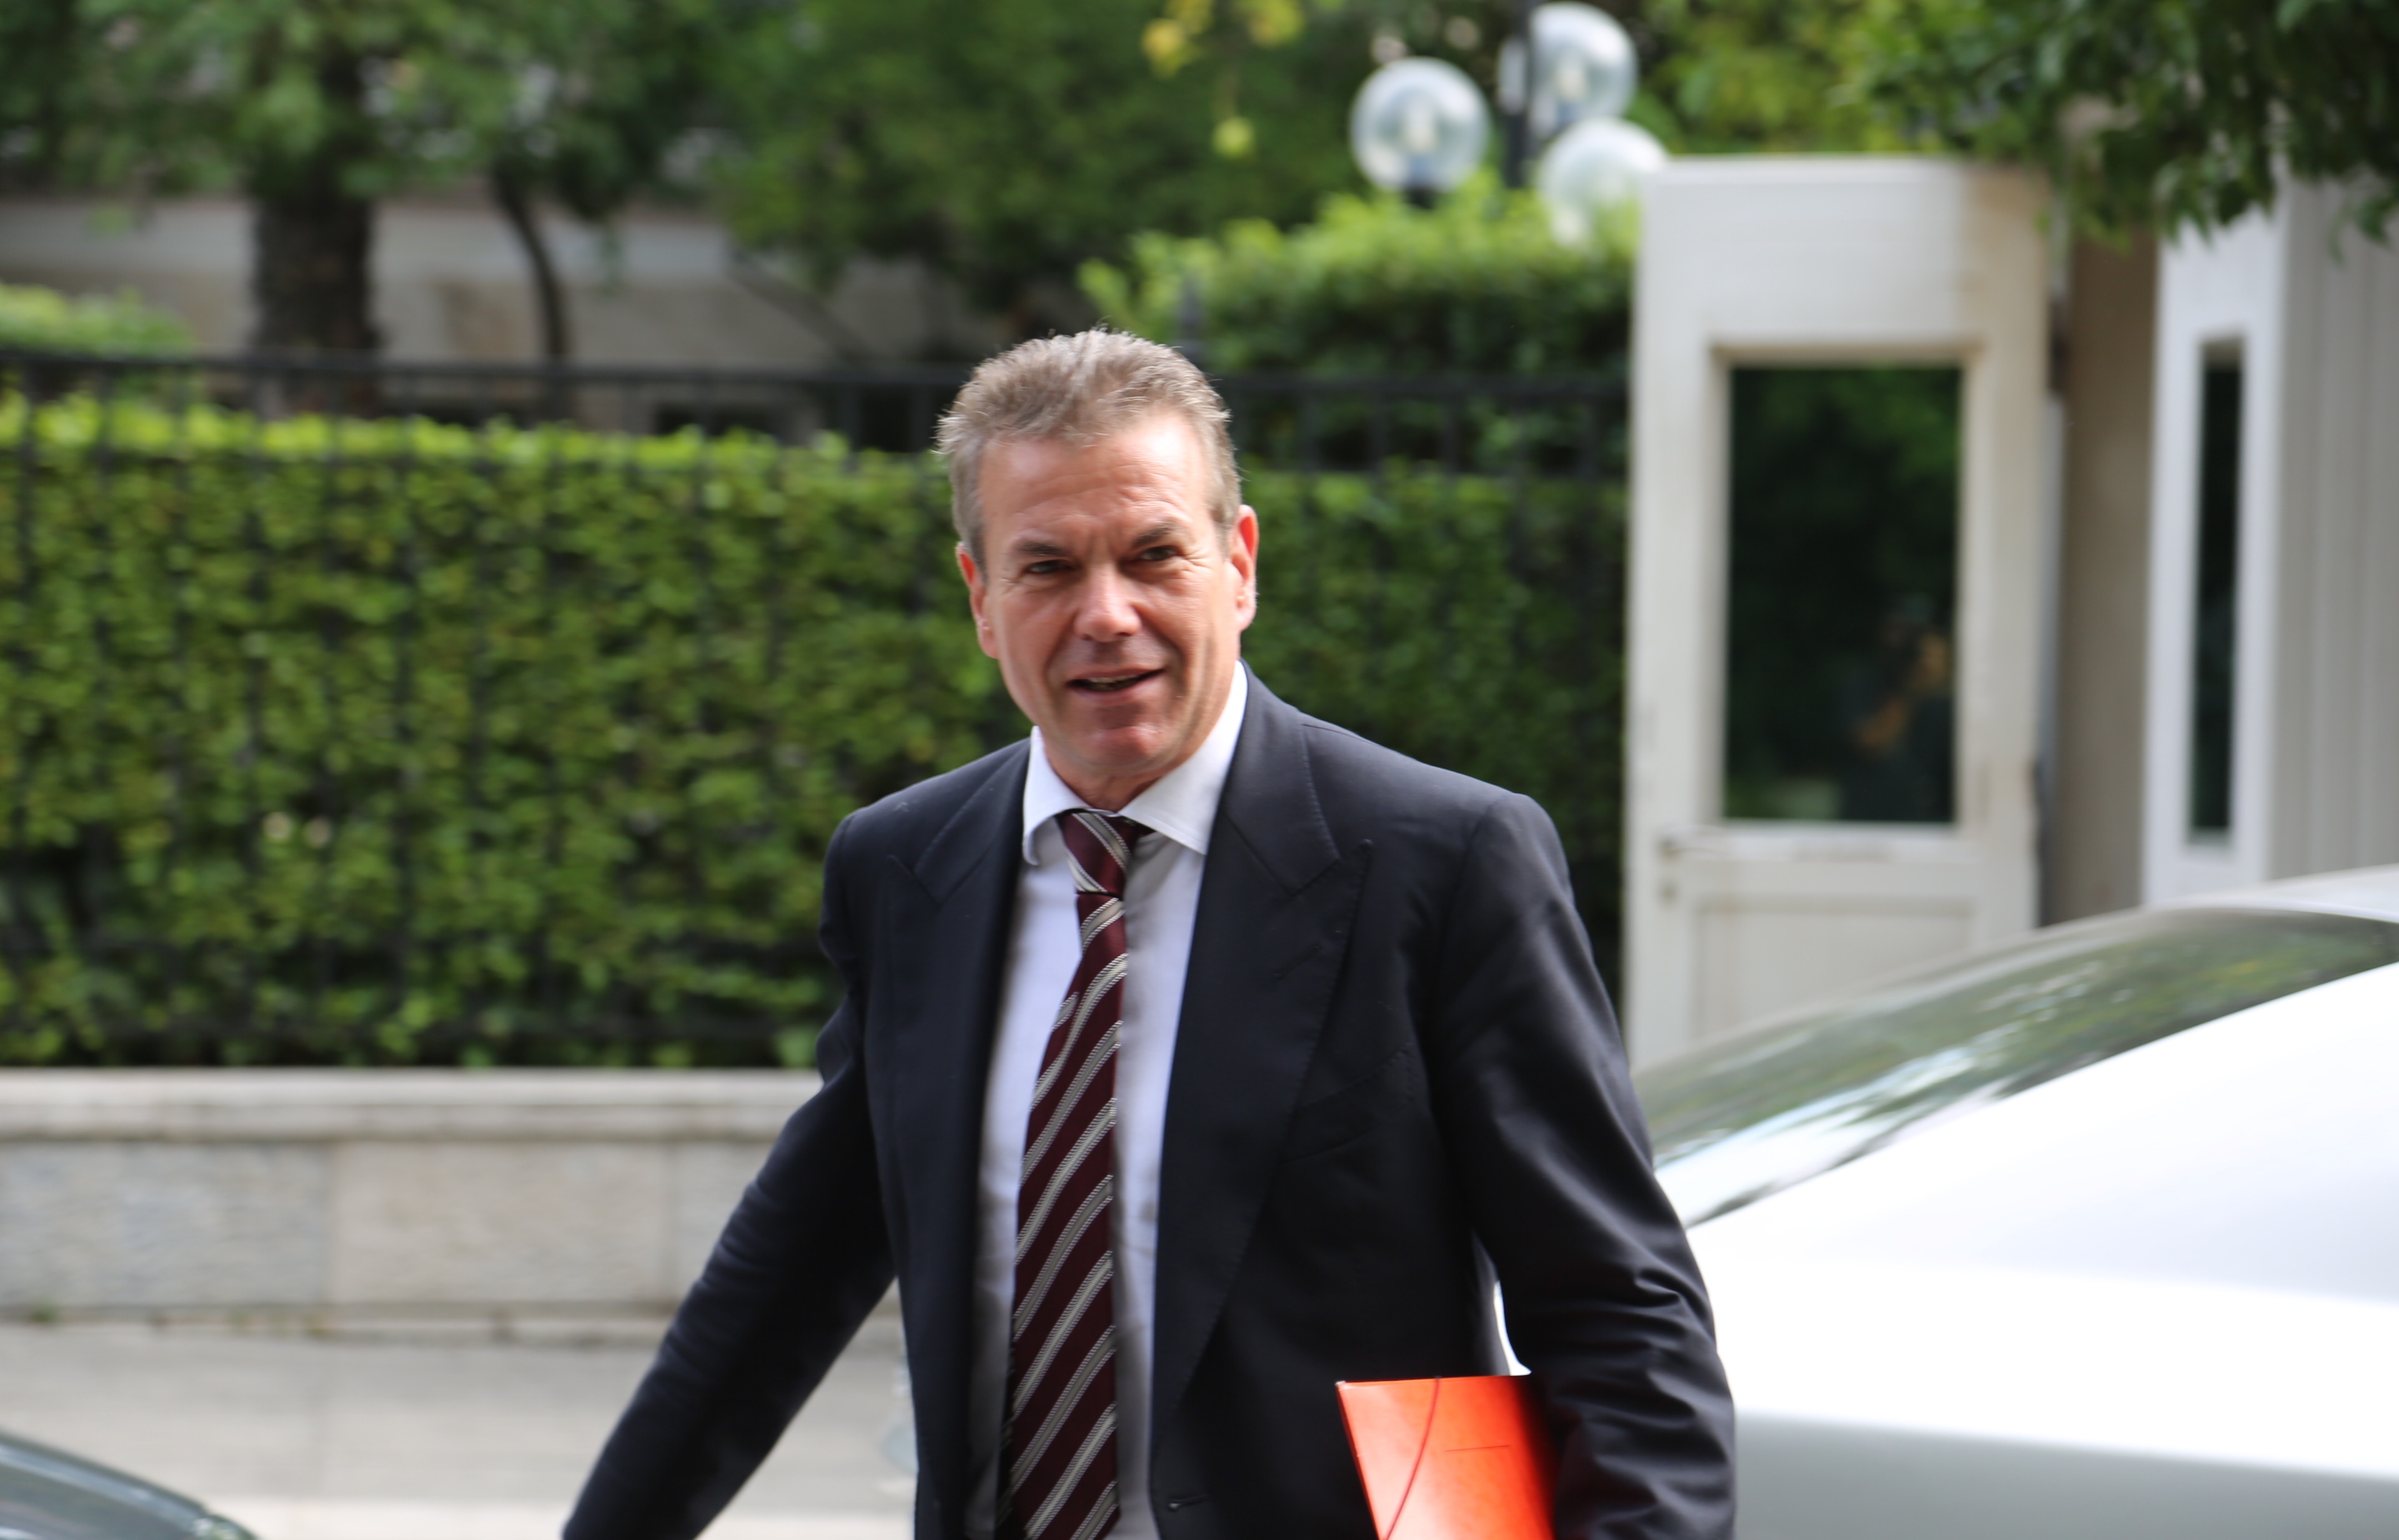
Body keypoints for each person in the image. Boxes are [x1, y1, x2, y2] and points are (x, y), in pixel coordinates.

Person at [563, 331, 1734, 1540]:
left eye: (1153, 555)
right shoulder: (906, 869)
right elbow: (783, 1280)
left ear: (1240, 565)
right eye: (1047, 567)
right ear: (981, 600)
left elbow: (1615, 1310)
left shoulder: (1444, 860)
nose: (1106, 614)